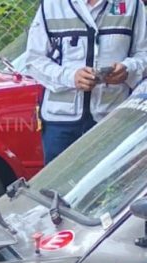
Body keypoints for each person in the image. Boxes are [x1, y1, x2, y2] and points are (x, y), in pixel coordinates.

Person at [25, 0, 147, 162]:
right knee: (58, 183)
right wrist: (70, 77)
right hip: (61, 122)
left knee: (109, 183)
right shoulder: (51, 5)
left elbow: (143, 54)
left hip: (111, 117)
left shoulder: (132, 4)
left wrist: (128, 69)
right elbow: (34, 60)